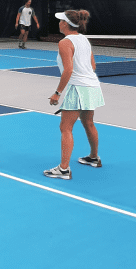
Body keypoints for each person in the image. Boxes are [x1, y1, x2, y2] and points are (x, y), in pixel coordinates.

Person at [44, 9, 105, 180]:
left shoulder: (65, 42)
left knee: (65, 127)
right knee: (88, 123)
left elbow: (68, 70)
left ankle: (63, 169)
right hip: (92, 86)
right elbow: (93, 66)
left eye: (60, 21)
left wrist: (57, 93)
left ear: (65, 24)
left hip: (78, 88)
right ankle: (94, 157)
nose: (59, 23)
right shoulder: (84, 39)